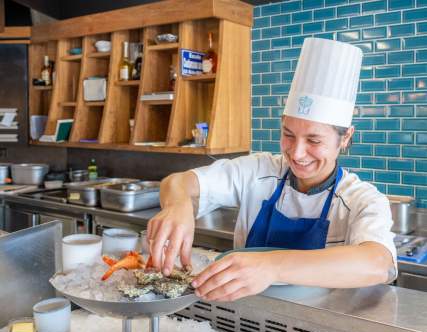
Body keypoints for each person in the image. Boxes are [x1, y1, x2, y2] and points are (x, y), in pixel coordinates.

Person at [147, 37, 397, 303]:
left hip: (321, 325)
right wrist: (178, 205)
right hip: (247, 315)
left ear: (345, 138)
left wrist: (271, 266)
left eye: (313, 140)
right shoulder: (258, 170)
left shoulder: (361, 199)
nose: (297, 153)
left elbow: (379, 263)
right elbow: (178, 181)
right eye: (288, 135)